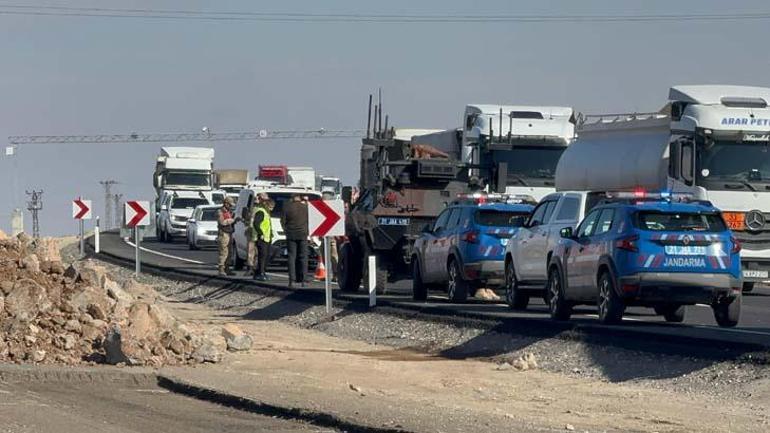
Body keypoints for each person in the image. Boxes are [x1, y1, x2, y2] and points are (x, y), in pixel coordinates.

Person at [281, 194, 309, 287]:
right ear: (300, 198)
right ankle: (304, 279)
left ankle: (291, 280)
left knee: (291, 257)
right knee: (303, 257)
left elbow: (283, 221)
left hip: (291, 234)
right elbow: (309, 221)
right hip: (303, 234)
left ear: (292, 198)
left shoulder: (287, 208)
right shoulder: (305, 208)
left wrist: (286, 230)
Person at [217, 196, 240, 276]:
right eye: (229, 205)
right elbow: (222, 222)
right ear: (225, 203)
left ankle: (227, 268)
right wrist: (232, 220)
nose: (230, 207)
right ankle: (221, 268)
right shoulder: (220, 212)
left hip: (229, 233)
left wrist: (236, 220)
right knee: (224, 252)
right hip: (223, 233)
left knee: (230, 252)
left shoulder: (230, 212)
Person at [253, 199, 275, 281]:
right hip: (262, 238)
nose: (271, 209)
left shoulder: (266, 212)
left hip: (267, 238)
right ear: (267, 205)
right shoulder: (261, 212)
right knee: (262, 256)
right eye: (270, 207)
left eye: (272, 207)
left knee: (266, 256)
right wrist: (260, 233)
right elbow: (256, 224)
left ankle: (260, 272)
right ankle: (261, 273)